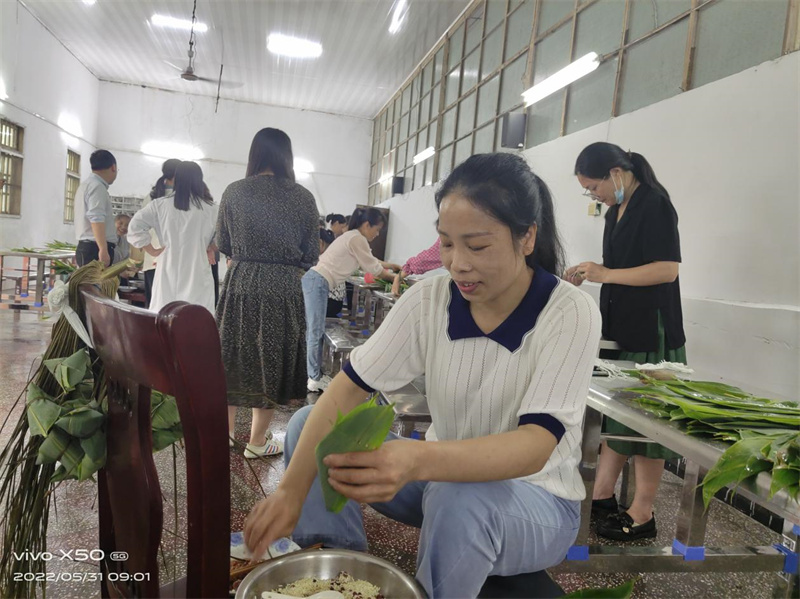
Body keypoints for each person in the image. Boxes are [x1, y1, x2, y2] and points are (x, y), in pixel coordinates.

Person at [244, 153, 601, 598]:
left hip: (536, 501)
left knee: (460, 499)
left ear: (527, 237)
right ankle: (337, 574)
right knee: (307, 427)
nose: (458, 264)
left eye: (478, 246)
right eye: (447, 244)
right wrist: (291, 493)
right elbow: (344, 392)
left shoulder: (568, 310)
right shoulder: (432, 297)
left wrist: (414, 460)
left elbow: (534, 447)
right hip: (441, 480)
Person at [566, 141, 685, 542]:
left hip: (654, 329)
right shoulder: (616, 211)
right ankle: (602, 495)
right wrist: (589, 271)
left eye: (593, 187)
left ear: (616, 172)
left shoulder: (655, 204)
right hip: (622, 325)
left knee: (648, 425)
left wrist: (607, 274)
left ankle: (642, 512)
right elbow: (615, 268)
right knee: (617, 414)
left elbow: (666, 270)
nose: (594, 195)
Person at [216, 128, 319, 459]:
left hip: (241, 280)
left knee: (232, 355)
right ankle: (257, 442)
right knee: (272, 359)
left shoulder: (234, 191)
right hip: (284, 284)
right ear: (286, 157)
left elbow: (224, 244)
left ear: (254, 154)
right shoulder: (303, 197)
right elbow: (311, 253)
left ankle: (224, 435)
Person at [301, 207, 396, 393]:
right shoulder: (356, 238)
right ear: (367, 225)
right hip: (317, 282)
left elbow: (370, 260)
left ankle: (315, 373)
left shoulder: (353, 237)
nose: (377, 235)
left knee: (315, 330)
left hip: (316, 282)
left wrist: (391, 266)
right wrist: (395, 277)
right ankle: (313, 378)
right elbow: (374, 268)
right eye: (377, 229)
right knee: (315, 331)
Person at [128, 161, 218, 314]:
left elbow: (134, 227)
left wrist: (152, 250)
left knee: (164, 316)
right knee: (195, 318)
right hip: (198, 271)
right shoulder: (212, 209)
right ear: (199, 179)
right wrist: (211, 247)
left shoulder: (160, 205)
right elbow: (225, 236)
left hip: (167, 269)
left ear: (177, 179)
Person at [141, 159, 181, 307]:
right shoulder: (180, 199)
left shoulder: (151, 196)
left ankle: (150, 330)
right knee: (171, 305)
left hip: (153, 258)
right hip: (172, 260)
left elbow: (137, 229)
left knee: (153, 304)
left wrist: (151, 250)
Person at [75, 150, 118, 267]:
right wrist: (103, 249)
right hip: (94, 249)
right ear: (113, 167)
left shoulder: (86, 185)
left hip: (91, 247)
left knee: (90, 285)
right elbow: (96, 218)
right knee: (94, 285)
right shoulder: (97, 187)